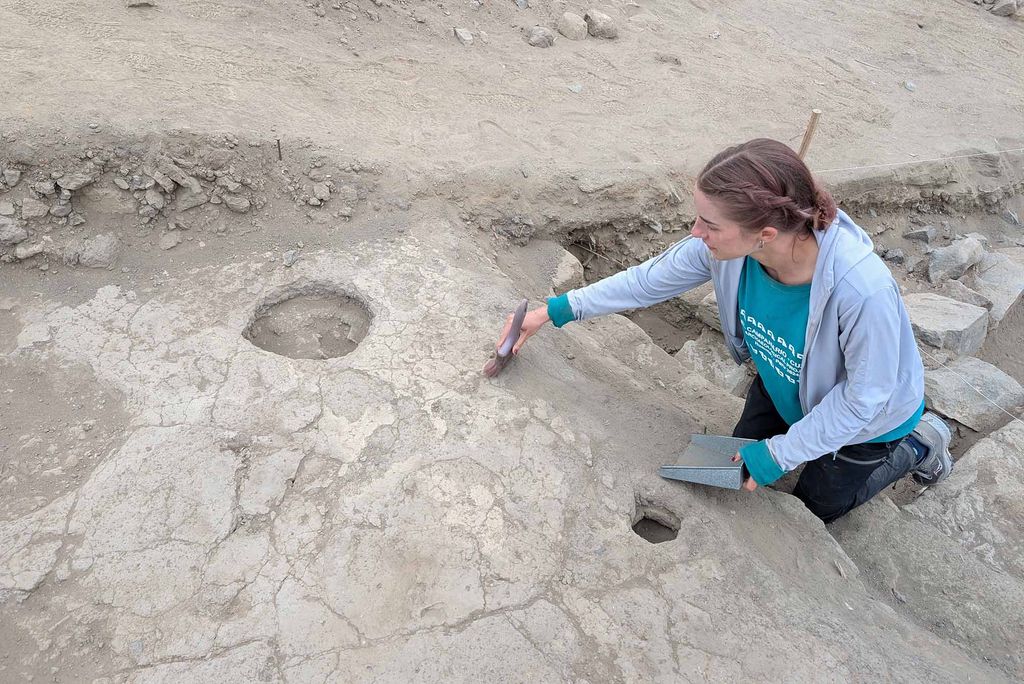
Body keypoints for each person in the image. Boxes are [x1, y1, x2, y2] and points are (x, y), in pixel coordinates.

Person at [497, 138, 953, 523]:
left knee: (816, 509)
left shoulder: (862, 291)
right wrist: (553, 311)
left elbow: (863, 398)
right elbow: (646, 281)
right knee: (733, 463)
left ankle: (918, 446)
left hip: (869, 425)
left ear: (766, 235)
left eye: (710, 224)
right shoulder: (725, 249)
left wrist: (779, 455)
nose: (696, 232)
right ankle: (795, 440)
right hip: (783, 379)